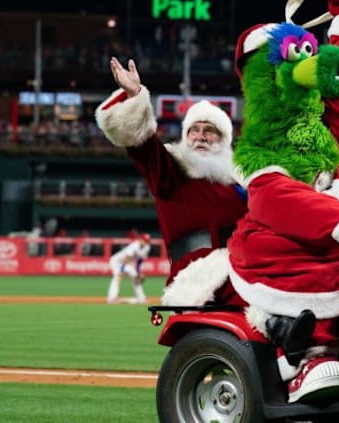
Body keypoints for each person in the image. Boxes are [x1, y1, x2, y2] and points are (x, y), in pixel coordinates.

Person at [229, 0, 339, 403]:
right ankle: (305, 355)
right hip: (282, 244)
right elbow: (284, 203)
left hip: (334, 212)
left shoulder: (318, 136)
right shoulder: (267, 164)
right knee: (311, 265)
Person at [95, 57, 248, 306]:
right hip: (199, 280)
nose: (200, 136)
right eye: (193, 130)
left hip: (245, 270)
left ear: (223, 139)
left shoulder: (240, 182)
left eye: (209, 130)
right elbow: (143, 145)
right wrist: (135, 96)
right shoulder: (172, 171)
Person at [107, 233, 151, 304]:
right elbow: (126, 258)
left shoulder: (147, 247)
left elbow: (140, 260)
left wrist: (138, 272)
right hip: (117, 262)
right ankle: (112, 298)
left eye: (147, 241)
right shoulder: (134, 246)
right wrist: (121, 270)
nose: (146, 242)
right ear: (140, 240)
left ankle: (141, 298)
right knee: (118, 277)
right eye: (144, 240)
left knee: (136, 277)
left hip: (127, 263)